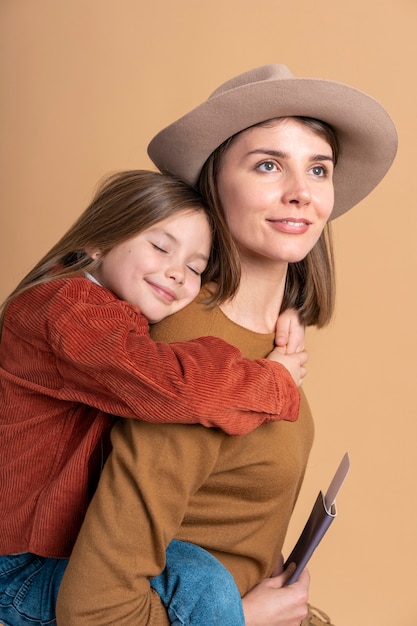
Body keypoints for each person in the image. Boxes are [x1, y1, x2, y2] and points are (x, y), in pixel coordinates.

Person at [56, 64, 398, 626]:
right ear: (214, 182)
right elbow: (92, 612)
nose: (300, 194)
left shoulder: (266, 343)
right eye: (268, 165)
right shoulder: (194, 362)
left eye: (318, 168)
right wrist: (243, 617)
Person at [0, 168, 309, 626]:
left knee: (194, 572)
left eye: (195, 268)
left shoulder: (109, 308)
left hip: (47, 555)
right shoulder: (66, 309)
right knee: (202, 582)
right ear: (99, 242)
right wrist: (272, 378)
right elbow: (171, 385)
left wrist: (276, 319)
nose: (176, 273)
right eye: (160, 247)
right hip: (17, 570)